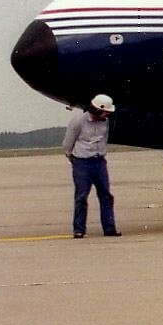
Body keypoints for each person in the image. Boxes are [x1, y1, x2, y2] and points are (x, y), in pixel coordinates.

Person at [62, 94, 121, 238]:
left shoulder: (105, 122)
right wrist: (73, 158)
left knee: (106, 195)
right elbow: (68, 143)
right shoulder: (78, 121)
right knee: (81, 196)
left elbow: (104, 139)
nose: (107, 114)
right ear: (96, 109)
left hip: (99, 162)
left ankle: (109, 228)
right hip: (82, 162)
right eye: (105, 111)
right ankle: (79, 230)